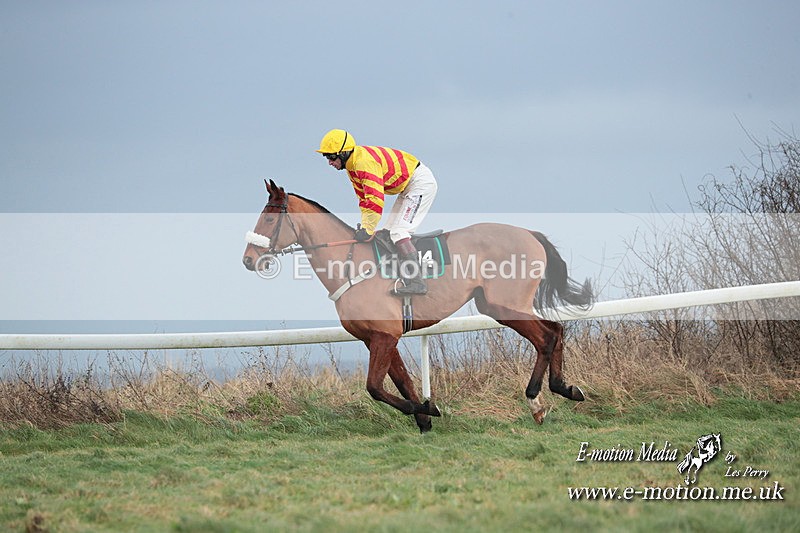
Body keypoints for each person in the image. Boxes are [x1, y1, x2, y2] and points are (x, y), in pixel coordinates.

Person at [317, 129, 438, 295]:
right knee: (387, 233)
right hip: (407, 187)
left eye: (331, 157)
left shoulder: (363, 163)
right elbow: (364, 200)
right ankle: (399, 274)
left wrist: (367, 229)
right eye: (326, 157)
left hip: (419, 184)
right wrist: (367, 227)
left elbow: (375, 199)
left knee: (398, 232)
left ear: (344, 153)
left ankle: (417, 282)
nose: (329, 162)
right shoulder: (352, 168)